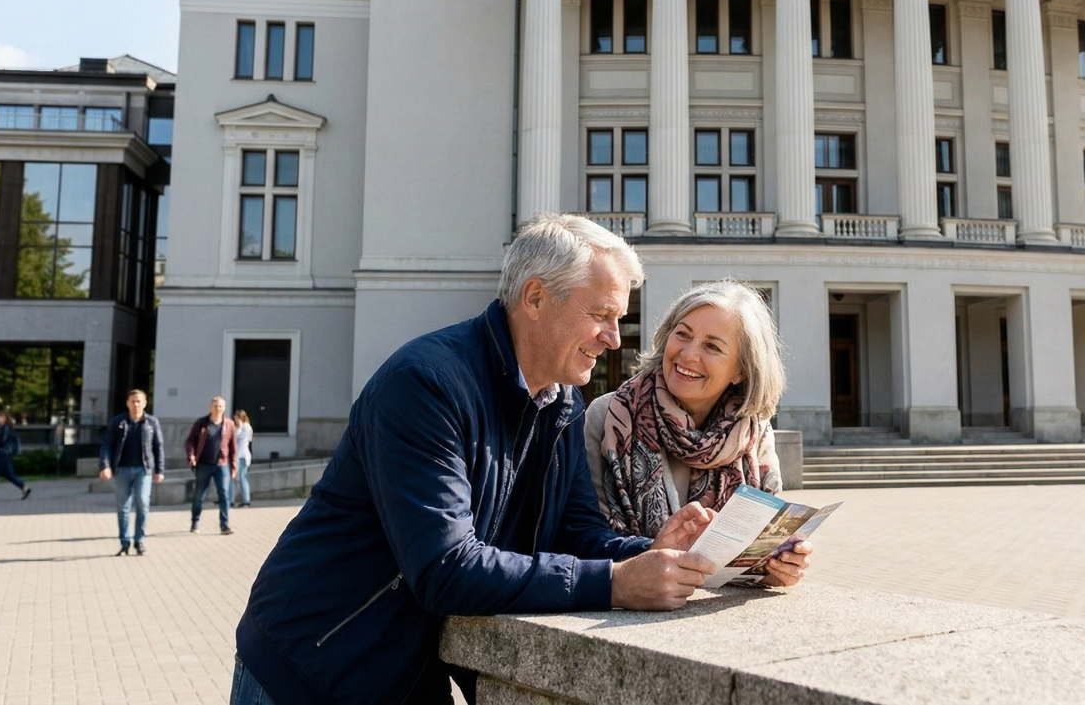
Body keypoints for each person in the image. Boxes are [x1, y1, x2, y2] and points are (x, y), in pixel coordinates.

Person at [231, 215, 719, 705]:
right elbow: (446, 567)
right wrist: (615, 584)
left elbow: (574, 533)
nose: (613, 338)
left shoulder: (563, 400)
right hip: (309, 669)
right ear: (535, 298)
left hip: (406, 669)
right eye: (601, 314)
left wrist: (651, 553)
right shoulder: (426, 384)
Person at [586, 280, 812, 588]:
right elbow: (585, 535)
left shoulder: (754, 431)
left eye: (712, 347)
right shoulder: (608, 416)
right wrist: (648, 555)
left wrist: (776, 567)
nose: (688, 354)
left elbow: (761, 544)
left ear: (741, 370)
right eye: (682, 334)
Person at [99, 390, 165, 556]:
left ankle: (139, 540)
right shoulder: (118, 422)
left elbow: (158, 447)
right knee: (123, 507)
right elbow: (106, 445)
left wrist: (160, 470)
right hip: (122, 469)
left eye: (139, 401)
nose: (136, 404)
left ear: (145, 403)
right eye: (133, 401)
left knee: (142, 502)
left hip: (144, 469)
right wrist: (105, 466)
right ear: (127, 403)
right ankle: (124, 542)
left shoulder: (152, 423)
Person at [186, 396, 238, 535]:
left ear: (224, 408)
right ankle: (195, 521)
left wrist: (234, 466)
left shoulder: (229, 424)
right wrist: (191, 456)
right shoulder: (202, 423)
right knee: (199, 494)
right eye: (215, 406)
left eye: (220, 406)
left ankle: (224, 525)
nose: (217, 408)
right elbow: (190, 441)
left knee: (224, 494)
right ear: (210, 407)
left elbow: (233, 447)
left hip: (222, 464)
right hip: (204, 464)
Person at [232, 409, 253, 507]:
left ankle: (246, 500)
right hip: (237, 455)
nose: (235, 420)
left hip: (242, 456)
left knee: (242, 477)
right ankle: (231, 500)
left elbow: (237, 436)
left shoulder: (246, 427)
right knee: (233, 478)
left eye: (237, 418)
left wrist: (239, 426)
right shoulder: (240, 427)